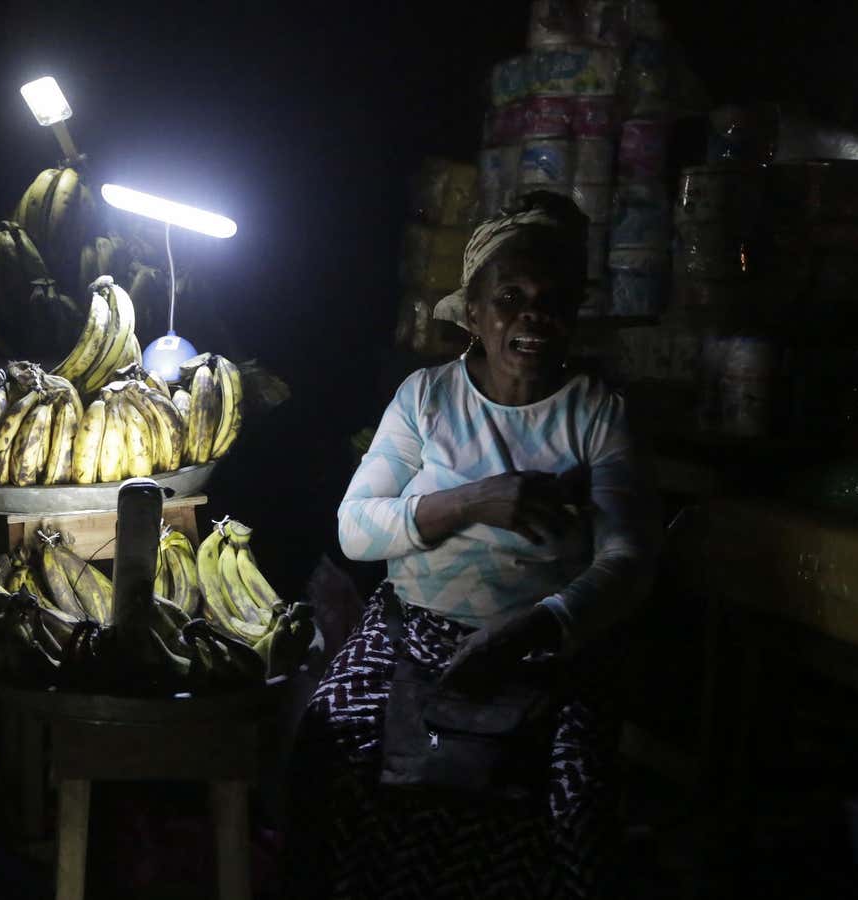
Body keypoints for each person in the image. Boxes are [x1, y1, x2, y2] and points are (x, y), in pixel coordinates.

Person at [289, 191, 660, 899]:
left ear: (574, 313)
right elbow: (355, 528)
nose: (531, 314)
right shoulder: (426, 397)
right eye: (510, 295)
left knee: (573, 795)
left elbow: (629, 560)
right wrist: (476, 499)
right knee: (328, 738)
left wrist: (541, 624)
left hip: (546, 642)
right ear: (477, 313)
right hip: (414, 628)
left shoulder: (598, 415)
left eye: (551, 298)